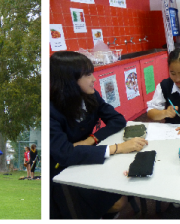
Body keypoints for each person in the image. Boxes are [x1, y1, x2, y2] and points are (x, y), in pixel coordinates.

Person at [49, 51, 147, 219]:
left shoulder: (90, 96)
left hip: (88, 155)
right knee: (118, 201)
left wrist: (91, 139)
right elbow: (63, 153)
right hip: (63, 172)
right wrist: (116, 148)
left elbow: (117, 120)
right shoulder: (51, 110)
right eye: (87, 75)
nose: (94, 79)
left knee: (128, 178)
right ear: (69, 81)